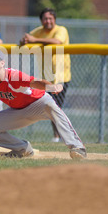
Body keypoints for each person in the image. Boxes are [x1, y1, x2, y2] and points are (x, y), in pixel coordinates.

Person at [20, 8, 72, 142]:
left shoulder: (61, 30)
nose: (48, 21)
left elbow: (57, 42)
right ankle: (56, 136)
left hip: (60, 77)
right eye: (45, 19)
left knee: (55, 107)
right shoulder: (39, 31)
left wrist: (34, 40)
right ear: (41, 20)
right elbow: (26, 38)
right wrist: (24, 40)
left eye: (50, 18)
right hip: (44, 77)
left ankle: (59, 136)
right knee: (48, 106)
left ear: (54, 19)